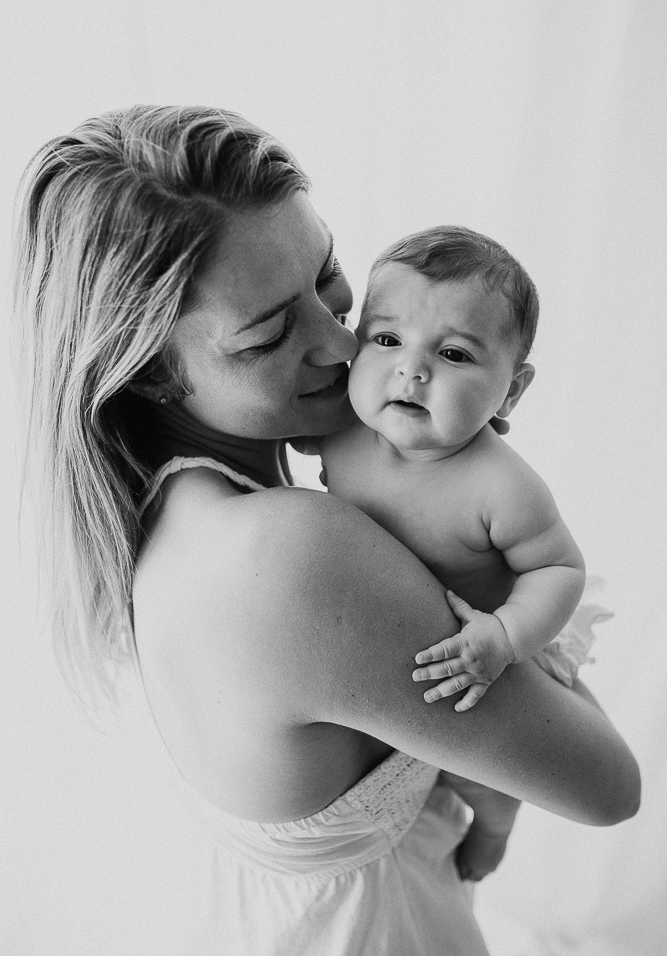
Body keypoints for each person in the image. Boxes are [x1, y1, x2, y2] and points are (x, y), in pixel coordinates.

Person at [13, 104, 640, 956]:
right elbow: (607, 786)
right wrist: (482, 562)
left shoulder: (176, 507)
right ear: (151, 374)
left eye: (331, 274)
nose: (343, 344)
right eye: (270, 331)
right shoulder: (290, 555)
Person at [313, 225, 598, 881]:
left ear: (511, 391)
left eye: (454, 354)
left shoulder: (499, 486)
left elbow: (558, 568)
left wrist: (503, 636)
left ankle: (496, 821)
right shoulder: (339, 431)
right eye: (385, 339)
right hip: (389, 645)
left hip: (480, 650)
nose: (411, 369)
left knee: (478, 766)